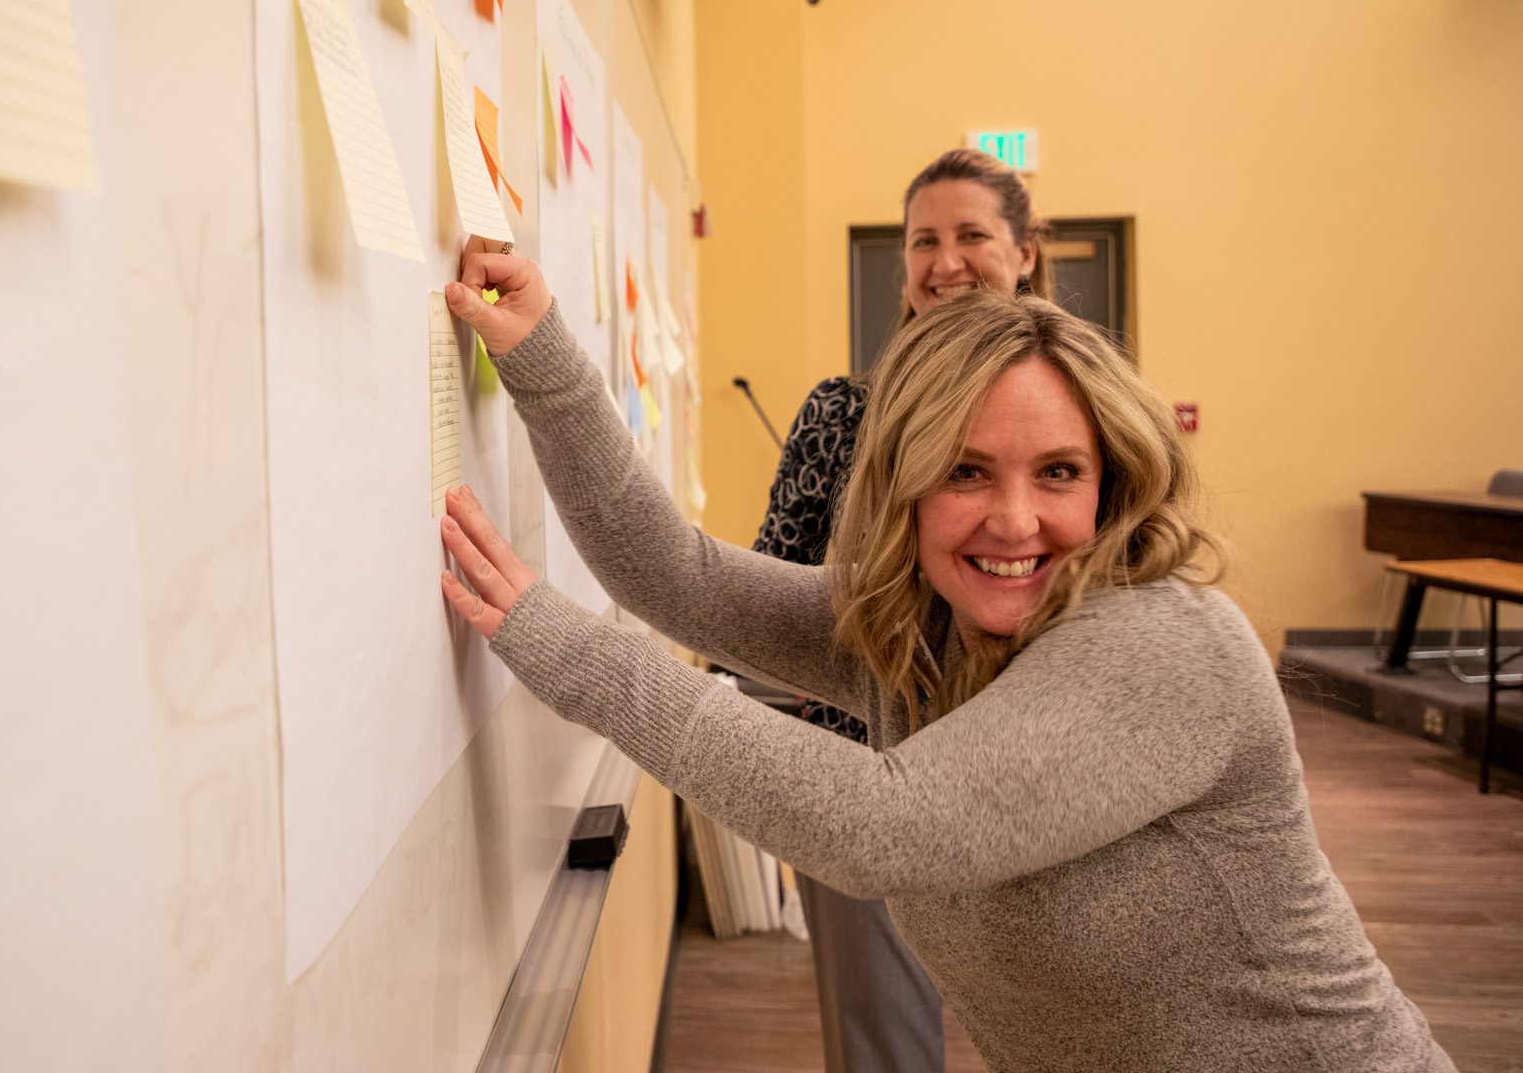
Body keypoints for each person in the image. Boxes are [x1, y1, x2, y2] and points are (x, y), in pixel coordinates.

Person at [434, 258, 1454, 1071]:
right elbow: (676, 577)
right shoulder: (919, 627)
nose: (1015, 520)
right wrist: (545, 359)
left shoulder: (1168, 644)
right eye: (965, 470)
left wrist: (568, 648)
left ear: (1112, 484)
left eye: (1058, 471)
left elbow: (881, 827)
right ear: (905, 487)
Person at [751, 147, 1054, 1073]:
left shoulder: (1086, 415)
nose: (946, 261)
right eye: (925, 240)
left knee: (1067, 1027)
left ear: (1026, 252)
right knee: (884, 1043)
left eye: (972, 235)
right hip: (862, 768)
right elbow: (768, 589)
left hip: (1041, 766)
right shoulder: (842, 415)